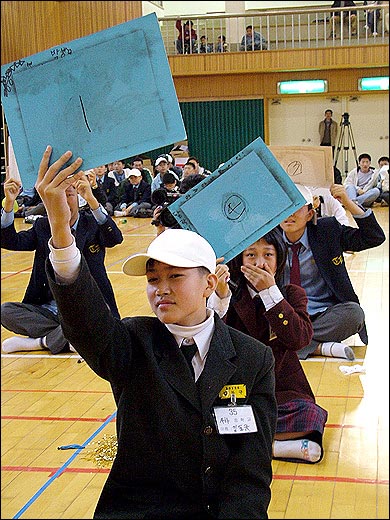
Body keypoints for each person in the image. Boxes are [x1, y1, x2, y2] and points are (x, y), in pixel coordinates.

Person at [38, 146, 277, 519]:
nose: (160, 288)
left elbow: (250, 470)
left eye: (175, 276)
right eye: (152, 279)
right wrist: (61, 232)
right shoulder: (134, 341)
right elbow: (85, 325)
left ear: (209, 283)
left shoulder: (252, 358)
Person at [215, 228, 328, 464]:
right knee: (214, 417)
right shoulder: (228, 296)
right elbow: (213, 340)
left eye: (268, 255)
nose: (260, 263)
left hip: (282, 389)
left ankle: (254, 446)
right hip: (238, 390)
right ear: (240, 261)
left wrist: (270, 293)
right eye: (251, 256)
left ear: (279, 261)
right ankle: (274, 447)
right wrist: (220, 297)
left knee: (310, 414)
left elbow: (300, 339)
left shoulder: (290, 294)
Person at [1, 166, 123, 354]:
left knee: (104, 318)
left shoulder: (91, 223)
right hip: (50, 310)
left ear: (78, 198)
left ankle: (39, 342)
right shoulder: (43, 225)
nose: (64, 200)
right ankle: (71, 338)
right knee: (6, 311)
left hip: (88, 306)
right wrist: (9, 204)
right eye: (58, 196)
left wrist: (92, 200)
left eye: (69, 194)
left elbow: (115, 238)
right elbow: (11, 241)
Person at [278, 183, 385, 361]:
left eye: (296, 208)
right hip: (285, 314)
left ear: (310, 214)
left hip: (323, 313)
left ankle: (291, 345)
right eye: (284, 208)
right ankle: (319, 347)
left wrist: (348, 202)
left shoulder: (327, 231)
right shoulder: (268, 239)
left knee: (354, 314)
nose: (289, 214)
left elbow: (374, 237)